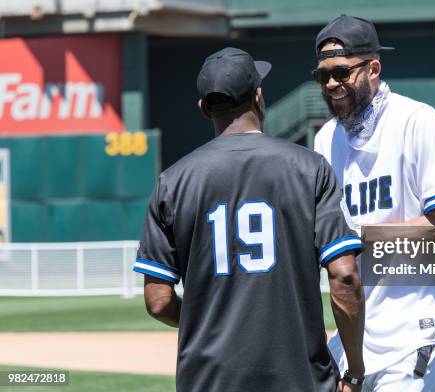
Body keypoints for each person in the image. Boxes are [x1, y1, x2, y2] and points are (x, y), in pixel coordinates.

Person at [133, 47, 366, 392]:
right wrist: (355, 372)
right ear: (258, 98)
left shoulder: (172, 181)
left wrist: (208, 323)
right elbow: (344, 276)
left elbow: (158, 299)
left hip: (207, 379)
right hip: (299, 378)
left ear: (203, 109)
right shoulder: (310, 168)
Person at [313, 16, 435, 391]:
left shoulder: (417, 121)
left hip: (416, 331)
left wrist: (362, 236)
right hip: (355, 338)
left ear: (373, 68)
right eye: (323, 76)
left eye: (341, 72)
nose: (332, 84)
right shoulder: (325, 140)